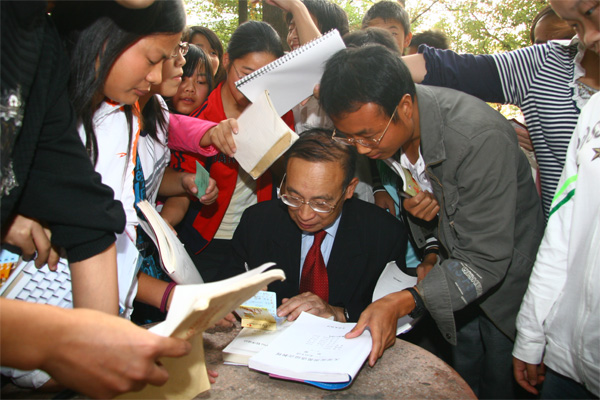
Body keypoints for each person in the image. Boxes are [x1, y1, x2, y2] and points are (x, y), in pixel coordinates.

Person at [319, 45, 545, 398]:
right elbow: (441, 213)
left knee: (500, 382)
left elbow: (485, 258)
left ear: (405, 107)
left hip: (506, 291)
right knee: (461, 376)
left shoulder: (478, 139)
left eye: (368, 135)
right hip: (451, 281)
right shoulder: (388, 136)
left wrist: (404, 301)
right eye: (349, 137)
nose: (361, 149)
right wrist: (432, 251)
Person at [0, 1, 194, 397]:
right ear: (107, 36)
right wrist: (63, 341)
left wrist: (104, 349)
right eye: (153, 59)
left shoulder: (42, 47)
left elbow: (85, 211)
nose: (156, 77)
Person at [402, 16, 599, 218]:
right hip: (562, 234)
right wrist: (383, 70)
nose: (589, 36)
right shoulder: (544, 64)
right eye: (577, 25)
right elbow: (448, 69)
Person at [224, 130, 407, 322]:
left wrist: (341, 313)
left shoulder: (384, 234)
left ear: (349, 189)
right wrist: (231, 304)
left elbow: (395, 311)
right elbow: (226, 287)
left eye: (321, 203)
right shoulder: (257, 222)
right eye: (294, 197)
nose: (304, 215)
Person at [512, 1, 600, 397]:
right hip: (567, 358)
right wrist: (532, 334)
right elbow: (561, 234)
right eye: (577, 26)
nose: (588, 37)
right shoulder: (593, 114)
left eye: (590, 13)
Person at [169, 21, 294, 283]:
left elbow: (287, 176)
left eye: (265, 77)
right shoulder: (199, 117)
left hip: (257, 238)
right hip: (206, 240)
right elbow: (182, 186)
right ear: (226, 61)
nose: (254, 85)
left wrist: (270, 151)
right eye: (246, 73)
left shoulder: (279, 113)